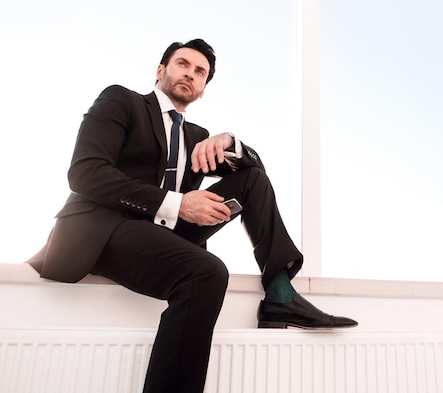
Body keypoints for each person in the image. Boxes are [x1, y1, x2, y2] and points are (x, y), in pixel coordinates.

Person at [27, 39, 357, 393]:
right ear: (160, 71)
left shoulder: (197, 138)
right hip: (106, 230)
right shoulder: (121, 101)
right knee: (207, 270)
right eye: (183, 64)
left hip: (159, 236)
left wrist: (231, 142)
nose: (190, 74)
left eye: (200, 72)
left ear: (202, 90)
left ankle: (279, 294)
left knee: (252, 181)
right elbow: (85, 173)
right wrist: (178, 204)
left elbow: (257, 172)